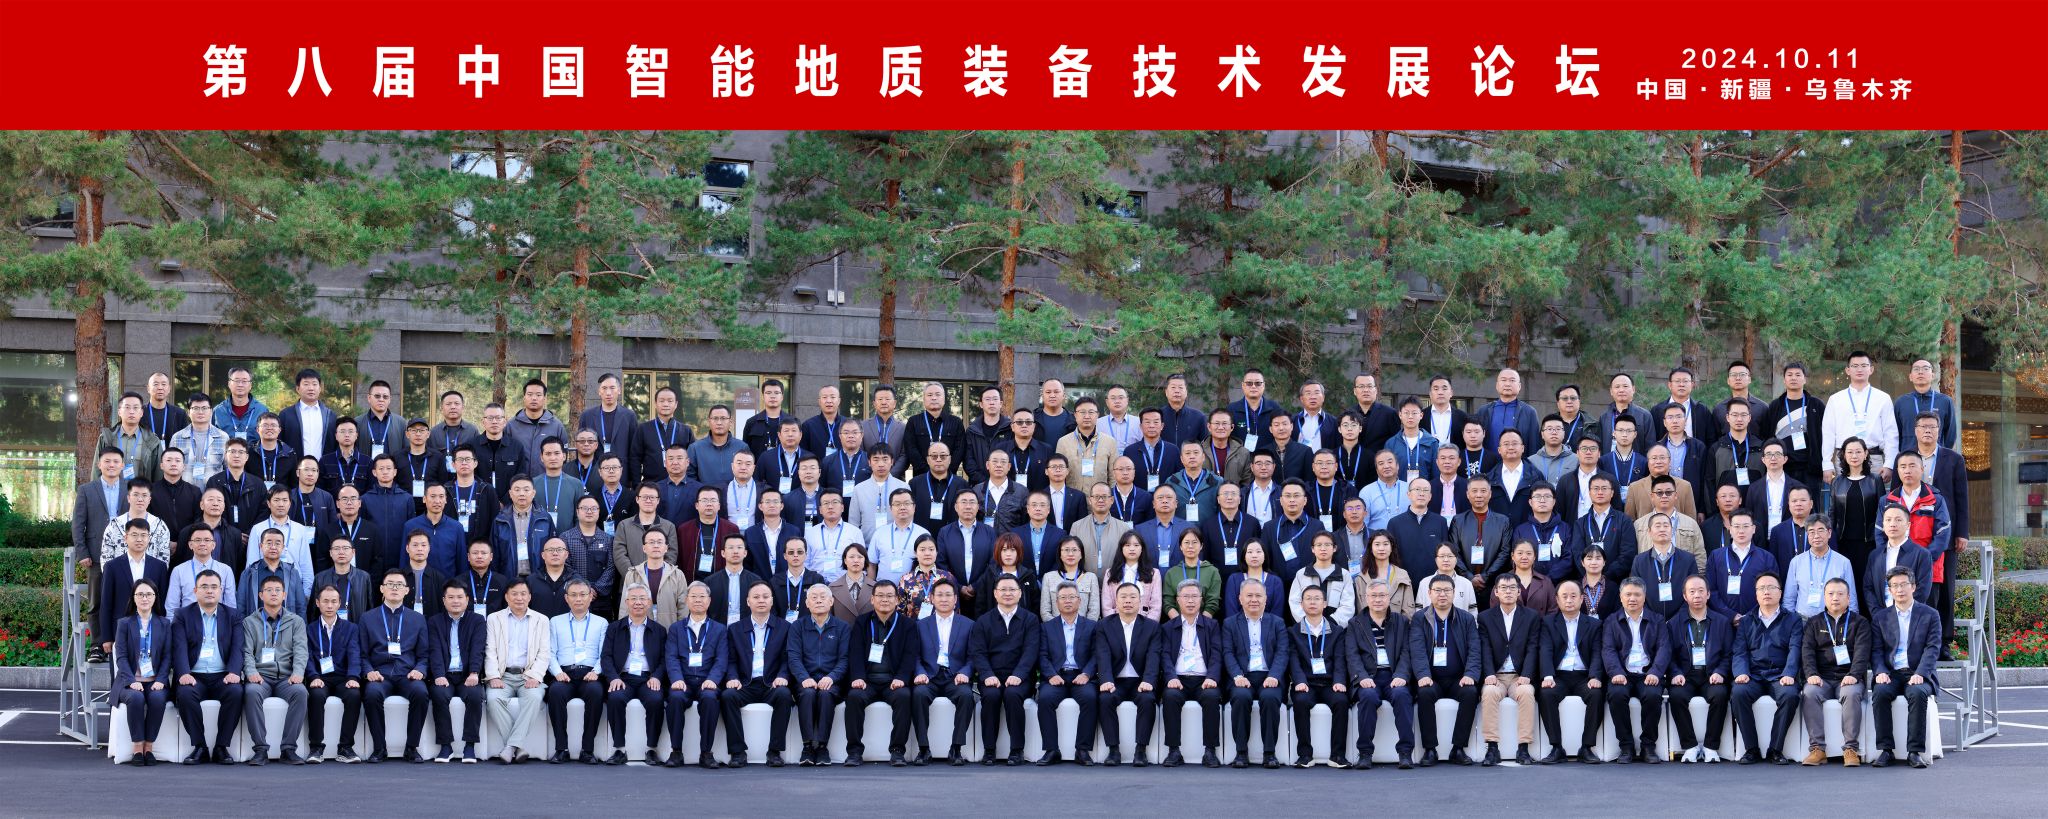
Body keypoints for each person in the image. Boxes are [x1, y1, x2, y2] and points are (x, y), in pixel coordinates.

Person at [843, 580, 920, 766]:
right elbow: (855, 652)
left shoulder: (907, 625)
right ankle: (854, 751)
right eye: (880, 596)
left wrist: (901, 678)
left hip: (893, 681)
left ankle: (897, 751)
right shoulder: (862, 622)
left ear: (897, 600)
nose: (885, 600)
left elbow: (910, 655)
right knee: (854, 697)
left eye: (889, 596)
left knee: (903, 697)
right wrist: (858, 677)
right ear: (872, 599)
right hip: (867, 680)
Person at [172, 569, 245, 764]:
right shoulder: (182, 615)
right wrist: (184, 673)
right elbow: (178, 647)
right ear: (195, 590)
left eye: (214, 587)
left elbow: (238, 647)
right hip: (194, 676)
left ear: (221, 590)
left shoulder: (233, 615)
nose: (210, 591)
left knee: (236, 692)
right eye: (204, 586)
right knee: (185, 694)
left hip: (223, 675)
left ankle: (221, 747)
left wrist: (234, 671)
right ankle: (200, 747)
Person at [1869, 566, 1939, 768]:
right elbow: (1876, 650)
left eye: (1903, 584)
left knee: (1917, 693)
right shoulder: (1881, 617)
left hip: (1918, 672)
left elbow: (1932, 648)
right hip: (1891, 672)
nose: (1899, 589)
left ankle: (1914, 752)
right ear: (1889, 590)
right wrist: (1880, 671)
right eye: (1894, 586)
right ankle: (1886, 750)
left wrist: (1921, 673)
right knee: (1880, 692)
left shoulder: (1930, 614)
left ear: (1913, 587)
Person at [1732, 572, 1804, 765]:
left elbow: (1795, 649)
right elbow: (1739, 651)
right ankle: (1751, 749)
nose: (1766, 592)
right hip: (1754, 676)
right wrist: (1741, 672)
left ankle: (1775, 749)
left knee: (1790, 695)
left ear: (1780, 592)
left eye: (1771, 587)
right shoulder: (1746, 621)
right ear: (1756, 594)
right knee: (1738, 693)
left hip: (1780, 676)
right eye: (1761, 588)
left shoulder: (1793, 620)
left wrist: (1789, 673)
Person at [721, 581, 796, 766]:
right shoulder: (735, 629)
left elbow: (787, 658)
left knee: (784, 695)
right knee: (728, 696)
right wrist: (733, 678)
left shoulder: (785, 627)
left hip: (772, 683)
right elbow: (730, 660)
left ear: (772, 601)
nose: (761, 600)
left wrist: (782, 676)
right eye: (756, 597)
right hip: (745, 683)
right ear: (748, 602)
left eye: (765, 597)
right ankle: (737, 752)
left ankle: (775, 751)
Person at [239, 574, 310, 766]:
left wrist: (298, 673)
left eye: (278, 590)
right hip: (260, 677)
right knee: (251, 693)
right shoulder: (249, 622)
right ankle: (260, 749)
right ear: (261, 595)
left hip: (286, 678)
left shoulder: (296, 622)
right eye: (269, 590)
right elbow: (246, 652)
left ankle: (289, 749)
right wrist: (251, 672)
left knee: (300, 692)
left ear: (284, 595)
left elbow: (301, 651)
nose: (273, 593)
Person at [969, 574, 1040, 765]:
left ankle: (1016, 750)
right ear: (995, 593)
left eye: (1012, 590)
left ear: (1020, 593)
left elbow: (1031, 651)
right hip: (992, 675)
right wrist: (987, 675)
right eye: (1003, 589)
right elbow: (978, 652)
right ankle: (989, 750)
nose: (1008, 593)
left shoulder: (1030, 620)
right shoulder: (983, 621)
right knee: (991, 696)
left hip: (1021, 677)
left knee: (1012, 694)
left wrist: (1019, 675)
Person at [1410, 573, 1480, 766]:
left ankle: (1458, 748)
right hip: (1432, 678)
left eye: (1447, 590)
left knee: (1470, 692)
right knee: (1424, 693)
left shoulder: (1466, 618)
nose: (1442, 594)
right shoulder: (1420, 618)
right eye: (1438, 590)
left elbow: (1475, 649)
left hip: (1459, 678)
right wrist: (1423, 675)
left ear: (1454, 593)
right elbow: (1416, 650)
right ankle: (1430, 749)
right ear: (1429, 593)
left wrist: (1470, 674)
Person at [362, 569, 431, 762]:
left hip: (407, 674)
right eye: (390, 584)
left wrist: (420, 670)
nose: (394, 588)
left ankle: (412, 748)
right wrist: (369, 671)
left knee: (421, 693)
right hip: (380, 674)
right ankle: (379, 748)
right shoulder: (368, 618)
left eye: (399, 585)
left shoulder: (417, 619)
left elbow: (424, 654)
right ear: (382, 589)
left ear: (407, 590)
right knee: (371, 694)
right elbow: (362, 654)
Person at [1799, 577, 1870, 766]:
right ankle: (1817, 749)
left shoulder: (1860, 623)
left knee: (1851, 693)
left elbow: (1862, 653)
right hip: (1822, 678)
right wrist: (1811, 674)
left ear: (1848, 598)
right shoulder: (1814, 622)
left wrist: (1854, 675)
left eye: (1840, 594)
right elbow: (1807, 651)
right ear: (1824, 597)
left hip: (1849, 678)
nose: (1835, 598)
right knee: (1809, 692)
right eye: (1830, 594)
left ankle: (1850, 749)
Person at [1347, 578, 1416, 768]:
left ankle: (1405, 752)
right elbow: (1352, 655)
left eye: (1382, 595)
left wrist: (1401, 675)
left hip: (1394, 676)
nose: (1378, 599)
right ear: (1366, 597)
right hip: (1368, 677)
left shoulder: (1401, 621)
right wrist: (1361, 677)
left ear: (1389, 597)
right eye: (1374, 596)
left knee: (1402, 695)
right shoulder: (1355, 623)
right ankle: (1365, 753)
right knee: (1368, 697)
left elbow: (1407, 651)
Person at [1665, 575, 1733, 763]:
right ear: (1685, 596)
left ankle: (1711, 746)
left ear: (1708, 594)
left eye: (1701, 591)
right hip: (1685, 675)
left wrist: (1720, 672)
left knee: (1720, 694)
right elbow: (1668, 655)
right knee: (1676, 696)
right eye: (1692, 591)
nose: (1697, 595)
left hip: (1712, 674)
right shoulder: (1674, 623)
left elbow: (1729, 654)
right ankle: (1690, 746)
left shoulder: (1721, 622)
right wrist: (1675, 673)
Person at [1536, 578, 1606, 764]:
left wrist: (1595, 676)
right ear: (1557, 600)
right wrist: (1548, 676)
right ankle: (1556, 747)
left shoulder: (1594, 624)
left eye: (1573, 596)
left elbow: (1597, 653)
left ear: (1582, 599)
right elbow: (1545, 649)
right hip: (1559, 675)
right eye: (1564, 596)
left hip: (1584, 676)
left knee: (1596, 694)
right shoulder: (1548, 622)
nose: (1569, 600)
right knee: (1546, 694)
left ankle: (1586, 747)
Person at [1222, 580, 1290, 768]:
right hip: (1242, 677)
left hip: (1269, 676)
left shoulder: (1277, 623)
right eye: (1249, 596)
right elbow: (1227, 652)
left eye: (1258, 596)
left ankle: (1269, 753)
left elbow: (1282, 652)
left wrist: (1274, 675)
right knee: (1241, 697)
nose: (1254, 600)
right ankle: (1241, 753)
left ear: (1266, 599)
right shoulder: (1230, 623)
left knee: (1270, 698)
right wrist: (1237, 675)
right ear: (1240, 599)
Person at [1602, 578, 1669, 763]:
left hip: (1647, 674)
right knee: (1616, 695)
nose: (1632, 598)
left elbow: (1664, 648)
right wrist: (1616, 672)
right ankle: (1626, 747)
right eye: (1628, 594)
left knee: (1653, 696)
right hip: (1622, 674)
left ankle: (1648, 746)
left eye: (1637, 594)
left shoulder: (1657, 620)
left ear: (1644, 597)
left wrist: (1655, 672)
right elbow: (1608, 649)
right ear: (1621, 597)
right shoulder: (1612, 621)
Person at [484, 579, 550, 763]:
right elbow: (490, 650)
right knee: (493, 699)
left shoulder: (541, 620)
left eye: (523, 594)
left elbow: (544, 653)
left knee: (534, 698)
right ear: (506, 597)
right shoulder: (494, 618)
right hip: (503, 675)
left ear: (529, 597)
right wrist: (494, 676)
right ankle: (517, 747)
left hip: (528, 675)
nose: (519, 598)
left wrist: (535, 676)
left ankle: (509, 747)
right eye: (514, 594)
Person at [1158, 581, 1223, 767]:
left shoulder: (1211, 625)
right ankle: (1173, 751)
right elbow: (1164, 655)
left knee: (1212, 697)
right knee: (1170, 697)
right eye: (1186, 596)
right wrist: (1171, 677)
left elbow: (1217, 654)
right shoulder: (1168, 627)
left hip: (1204, 680)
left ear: (1201, 600)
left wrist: (1212, 677)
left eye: (1195, 596)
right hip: (1178, 680)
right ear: (1178, 600)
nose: (1190, 601)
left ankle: (1210, 751)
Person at [1476, 574, 1540, 765]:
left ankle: (1523, 748)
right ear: (1496, 592)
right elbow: (1485, 648)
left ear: (1519, 591)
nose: (1508, 591)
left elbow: (1533, 647)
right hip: (1496, 675)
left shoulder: (1531, 616)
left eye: (1512, 587)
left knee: (1526, 692)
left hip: (1519, 676)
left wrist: (1527, 674)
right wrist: (1489, 673)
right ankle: (1492, 748)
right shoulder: (1485, 617)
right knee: (1489, 693)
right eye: (1503, 588)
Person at [1033, 581, 1099, 766]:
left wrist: (1086, 674)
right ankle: (1051, 750)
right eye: (1063, 597)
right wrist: (1051, 675)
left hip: (1081, 676)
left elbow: (1097, 654)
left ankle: (1082, 750)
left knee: (1090, 698)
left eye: (1071, 597)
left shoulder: (1092, 626)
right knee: (1045, 699)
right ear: (1056, 602)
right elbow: (1042, 655)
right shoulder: (1046, 627)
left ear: (1079, 600)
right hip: (1056, 676)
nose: (1067, 601)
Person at [663, 582, 727, 768]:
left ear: (709, 601)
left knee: (710, 699)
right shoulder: (676, 628)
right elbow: (671, 657)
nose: (698, 600)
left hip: (707, 681)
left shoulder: (719, 629)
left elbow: (721, 659)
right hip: (683, 681)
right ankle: (676, 752)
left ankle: (706, 753)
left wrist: (713, 680)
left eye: (702, 597)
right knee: (675, 698)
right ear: (686, 600)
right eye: (694, 596)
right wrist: (677, 679)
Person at [600, 585, 666, 765]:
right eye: (634, 598)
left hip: (648, 678)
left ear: (649, 602)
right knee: (615, 698)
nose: (638, 602)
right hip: (623, 677)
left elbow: (664, 659)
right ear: (626, 602)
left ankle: (651, 749)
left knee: (656, 700)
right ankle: (619, 749)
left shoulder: (659, 630)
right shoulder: (614, 628)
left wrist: (656, 676)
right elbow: (606, 657)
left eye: (642, 598)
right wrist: (613, 678)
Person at [544, 579, 608, 764]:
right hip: (564, 674)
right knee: (555, 692)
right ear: (566, 598)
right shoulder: (555, 622)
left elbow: (605, 653)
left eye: (582, 595)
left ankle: (587, 750)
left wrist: (596, 671)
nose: (578, 599)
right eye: (573, 595)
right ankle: (561, 749)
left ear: (590, 597)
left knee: (596, 692)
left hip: (590, 674)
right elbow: (550, 652)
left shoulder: (601, 623)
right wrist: (557, 672)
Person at [426, 579, 488, 763]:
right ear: (444, 600)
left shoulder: (477, 620)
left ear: (467, 599)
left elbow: (478, 649)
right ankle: (446, 746)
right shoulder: (435, 621)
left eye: (460, 597)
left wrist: (474, 672)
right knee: (438, 695)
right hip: (444, 675)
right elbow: (434, 650)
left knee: (475, 696)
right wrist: (438, 675)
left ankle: (470, 746)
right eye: (451, 597)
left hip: (467, 675)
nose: (455, 601)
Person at [788, 584, 850, 765]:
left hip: (833, 681)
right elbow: (793, 657)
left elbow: (844, 659)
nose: (819, 600)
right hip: (804, 681)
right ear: (807, 603)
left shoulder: (842, 627)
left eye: (823, 597)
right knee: (807, 694)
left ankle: (822, 747)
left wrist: (831, 677)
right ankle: (807, 747)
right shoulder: (797, 626)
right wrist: (804, 678)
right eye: (814, 597)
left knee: (825, 694)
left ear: (831, 601)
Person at [114, 579, 172, 766]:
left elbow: (167, 656)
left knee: (157, 699)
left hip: (155, 680)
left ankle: (149, 747)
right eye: (140, 594)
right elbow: (121, 657)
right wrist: (131, 680)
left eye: (148, 594)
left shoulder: (164, 624)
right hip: (129, 680)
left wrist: (161, 679)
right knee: (136, 698)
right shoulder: (124, 624)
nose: (144, 598)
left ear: (155, 597)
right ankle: (138, 747)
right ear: (134, 597)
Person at [304, 583, 365, 763]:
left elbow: (354, 654)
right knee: (315, 695)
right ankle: (316, 748)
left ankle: (345, 748)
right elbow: (307, 656)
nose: (329, 605)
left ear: (340, 603)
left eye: (333, 601)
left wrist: (353, 677)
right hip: (320, 678)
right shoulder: (309, 629)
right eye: (325, 601)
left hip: (343, 677)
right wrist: (313, 676)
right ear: (317, 603)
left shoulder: (351, 628)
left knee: (354, 694)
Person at [1821, 352, 1898, 480]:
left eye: (1864, 365)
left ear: (1871, 369)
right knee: (1844, 493)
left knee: (1875, 493)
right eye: (1855, 366)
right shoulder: (1835, 399)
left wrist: (1889, 463)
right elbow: (1828, 432)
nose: (1859, 369)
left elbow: (1890, 433)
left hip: (1874, 458)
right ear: (1848, 370)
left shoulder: (1883, 398)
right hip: (1845, 458)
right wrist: (1826, 463)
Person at [100, 519, 170, 659]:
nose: (139, 539)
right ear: (125, 537)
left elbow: (161, 602)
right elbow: (106, 603)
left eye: (143, 535)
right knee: (121, 669)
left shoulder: (159, 567)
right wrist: (106, 637)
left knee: (151, 669)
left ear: (149, 538)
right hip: (120, 629)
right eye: (134, 535)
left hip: (151, 629)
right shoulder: (112, 566)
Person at [1829, 437, 1885, 583]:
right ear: (1844, 455)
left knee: (1866, 581)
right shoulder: (1837, 481)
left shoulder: (1875, 480)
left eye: (1858, 452)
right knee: (1845, 581)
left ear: (1865, 454)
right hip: (1843, 542)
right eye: (1850, 452)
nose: (1854, 456)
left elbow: (1882, 511)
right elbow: (1832, 513)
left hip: (1869, 542)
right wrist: (1831, 538)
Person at [1867, 505, 1934, 616]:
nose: (1892, 524)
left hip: (1910, 617)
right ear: (1883, 524)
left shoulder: (1922, 554)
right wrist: (1877, 614)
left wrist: (1901, 613)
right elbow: (1868, 587)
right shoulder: (1875, 555)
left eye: (1898, 520)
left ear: (1908, 525)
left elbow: (1923, 590)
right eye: (1888, 520)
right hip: (1881, 618)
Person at [1631, 512, 1698, 620]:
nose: (1662, 529)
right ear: (1649, 532)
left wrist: (1678, 618)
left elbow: (1693, 592)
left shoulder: (1688, 559)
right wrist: (1652, 618)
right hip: (1650, 621)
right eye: (1657, 526)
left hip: (1681, 620)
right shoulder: (1640, 561)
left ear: (1672, 530)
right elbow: (1636, 592)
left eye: (1666, 526)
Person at [1784, 517, 1855, 618]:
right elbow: (1789, 600)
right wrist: (1790, 623)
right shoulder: (1796, 562)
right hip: (1802, 621)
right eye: (1811, 532)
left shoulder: (1843, 562)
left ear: (1829, 533)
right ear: (1807, 535)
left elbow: (1851, 599)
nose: (1816, 536)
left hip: (1833, 621)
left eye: (1820, 530)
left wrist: (1851, 623)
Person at [579, 373, 640, 478]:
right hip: (593, 474)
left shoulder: (629, 416)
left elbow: (634, 451)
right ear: (599, 391)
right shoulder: (587, 416)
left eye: (612, 388)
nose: (608, 392)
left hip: (621, 474)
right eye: (604, 388)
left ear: (619, 390)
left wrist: (634, 480)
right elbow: (580, 447)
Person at [620, 529, 686, 625]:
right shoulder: (633, 574)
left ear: (666, 548)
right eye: (651, 542)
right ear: (644, 548)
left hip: (669, 627)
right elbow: (625, 606)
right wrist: (623, 629)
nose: (656, 546)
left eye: (659, 542)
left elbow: (683, 608)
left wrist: (681, 630)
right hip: (639, 627)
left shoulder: (677, 575)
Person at [1289, 532, 1355, 625]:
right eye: (1319, 545)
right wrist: (1309, 622)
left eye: (1327, 545)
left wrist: (1331, 623)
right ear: (1313, 549)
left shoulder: (1344, 574)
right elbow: (1294, 602)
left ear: (1334, 548)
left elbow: (1348, 605)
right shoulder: (1302, 574)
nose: (1323, 548)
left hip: (1336, 628)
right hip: (1307, 627)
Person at [240, 528, 307, 619]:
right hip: (256, 625)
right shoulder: (249, 573)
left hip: (287, 625)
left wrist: (301, 627)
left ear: (283, 547)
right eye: (269, 543)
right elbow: (241, 606)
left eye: (277, 543)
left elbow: (301, 606)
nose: (273, 547)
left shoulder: (292, 573)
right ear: (261, 546)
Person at [102, 391, 166, 483]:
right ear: (119, 412)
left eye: (136, 408)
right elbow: (97, 471)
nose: (131, 412)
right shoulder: (106, 438)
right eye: (127, 407)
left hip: (141, 491)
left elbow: (158, 476)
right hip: (111, 490)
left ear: (141, 413)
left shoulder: (152, 441)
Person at [1100, 532, 1163, 620]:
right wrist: (1114, 624)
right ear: (1121, 548)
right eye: (1127, 545)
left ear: (1142, 549)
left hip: (1144, 622)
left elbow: (1156, 606)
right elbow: (1106, 606)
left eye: (1136, 545)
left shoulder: (1153, 573)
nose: (1132, 549)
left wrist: (1148, 626)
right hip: (1116, 622)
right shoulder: (1110, 573)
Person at [172, 392, 229, 484]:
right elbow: (171, 469)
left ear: (211, 411)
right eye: (195, 408)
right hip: (184, 491)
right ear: (188, 412)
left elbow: (228, 469)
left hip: (214, 491)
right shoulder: (177, 438)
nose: (200, 412)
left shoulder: (223, 437)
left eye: (204, 408)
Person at [1165, 528, 1222, 621]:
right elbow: (1168, 602)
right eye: (1186, 542)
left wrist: (1200, 623)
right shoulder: (1171, 573)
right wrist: (1180, 623)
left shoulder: (1212, 571)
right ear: (1181, 546)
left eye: (1195, 542)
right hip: (1178, 623)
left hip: (1204, 623)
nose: (1190, 546)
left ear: (1201, 546)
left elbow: (1213, 602)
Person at [1040, 536, 1098, 621]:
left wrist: (1085, 627)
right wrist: (1057, 627)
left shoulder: (1090, 577)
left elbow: (1094, 611)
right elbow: (1045, 611)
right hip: (1055, 627)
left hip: (1084, 628)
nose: (1070, 554)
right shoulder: (1048, 577)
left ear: (1081, 554)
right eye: (1066, 550)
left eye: (1074, 550)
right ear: (1060, 554)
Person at [1355, 531, 1413, 615]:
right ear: (1371, 548)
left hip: (1397, 623)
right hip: (1368, 623)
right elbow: (1360, 611)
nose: (1381, 548)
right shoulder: (1361, 577)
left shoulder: (1402, 575)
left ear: (1391, 547)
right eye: (1377, 544)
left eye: (1385, 544)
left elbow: (1408, 612)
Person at [859, 384, 910, 477]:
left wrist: (890, 475)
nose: (883, 402)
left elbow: (905, 455)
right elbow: (860, 452)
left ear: (894, 403)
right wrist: (873, 475)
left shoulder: (904, 428)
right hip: (868, 478)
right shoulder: (863, 426)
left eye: (887, 399)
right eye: (880, 399)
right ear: (874, 404)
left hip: (895, 479)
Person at [743, 380, 792, 456]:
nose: (772, 396)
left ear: (782, 397)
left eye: (776, 393)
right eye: (768, 393)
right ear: (763, 396)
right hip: (759, 463)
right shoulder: (751, 422)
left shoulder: (792, 421)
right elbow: (745, 451)